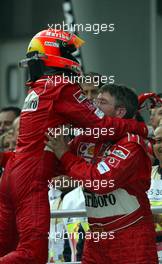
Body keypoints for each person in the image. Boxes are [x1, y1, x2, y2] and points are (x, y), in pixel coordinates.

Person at [0, 28, 148, 264]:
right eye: (70, 51)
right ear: (56, 53)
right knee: (31, 254)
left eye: (101, 101)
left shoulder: (39, 89)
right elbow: (99, 126)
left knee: (6, 247)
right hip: (32, 179)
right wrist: (142, 128)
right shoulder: (61, 86)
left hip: (15, 175)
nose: (92, 102)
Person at [46, 84, 158, 264]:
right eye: (95, 101)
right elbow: (53, 167)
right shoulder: (86, 139)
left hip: (130, 234)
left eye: (102, 102)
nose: (93, 105)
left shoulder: (132, 144)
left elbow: (101, 182)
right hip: (96, 236)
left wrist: (65, 155)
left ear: (120, 112)